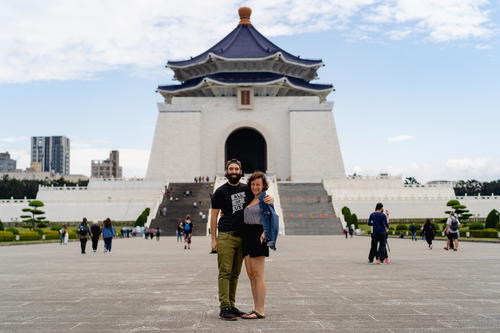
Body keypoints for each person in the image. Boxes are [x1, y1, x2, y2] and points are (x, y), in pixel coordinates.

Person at [210, 159, 274, 321]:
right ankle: (224, 307)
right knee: (226, 272)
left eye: (236, 169)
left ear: (240, 171)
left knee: (237, 273)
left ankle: (232, 305)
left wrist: (270, 200)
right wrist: (214, 239)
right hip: (226, 235)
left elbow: (260, 195)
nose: (233, 171)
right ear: (226, 171)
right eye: (230, 169)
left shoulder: (247, 189)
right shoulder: (220, 191)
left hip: (243, 237)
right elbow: (214, 215)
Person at [240, 171, 279, 320]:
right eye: (253, 184)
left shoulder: (265, 199)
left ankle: (260, 310)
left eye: (258, 185)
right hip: (247, 236)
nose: (255, 187)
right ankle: (255, 308)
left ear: (264, 186)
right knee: (251, 275)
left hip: (258, 236)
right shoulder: (250, 198)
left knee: (259, 275)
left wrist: (265, 233)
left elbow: (272, 217)